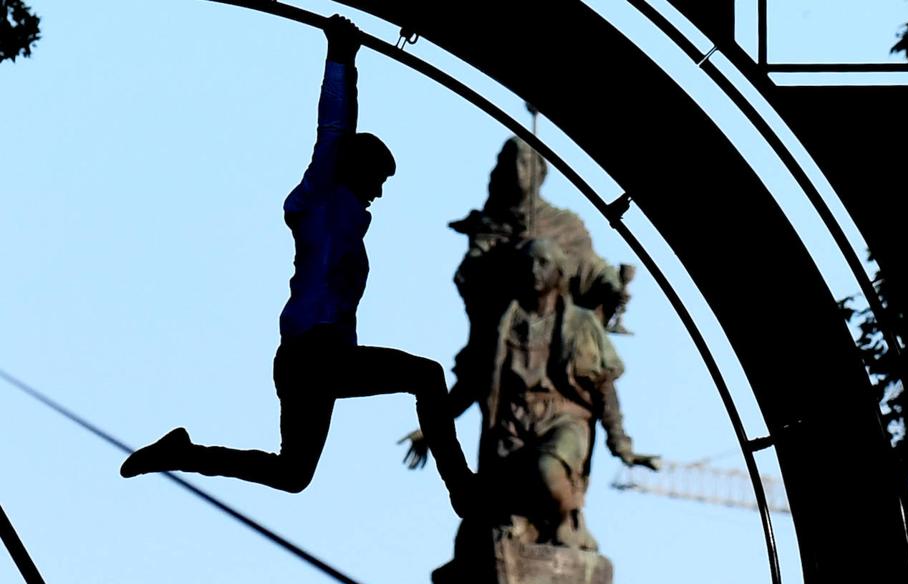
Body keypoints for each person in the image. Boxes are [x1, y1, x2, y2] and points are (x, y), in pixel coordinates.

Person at [121, 16, 475, 516]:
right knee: (428, 376)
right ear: (358, 170)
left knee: (293, 475)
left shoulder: (343, 219)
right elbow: (334, 127)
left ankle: (184, 453)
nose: (378, 192)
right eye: (377, 179)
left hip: (307, 362)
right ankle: (461, 486)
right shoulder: (321, 200)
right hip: (316, 356)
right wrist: (342, 59)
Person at [411, 239, 658, 549]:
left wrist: (621, 444)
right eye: (528, 262)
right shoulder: (500, 324)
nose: (534, 269)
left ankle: (568, 521)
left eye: (544, 263)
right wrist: (432, 427)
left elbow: (603, 386)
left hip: (562, 419)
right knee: (494, 511)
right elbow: (472, 383)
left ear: (559, 273)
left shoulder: (580, 324)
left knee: (547, 472)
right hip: (510, 424)